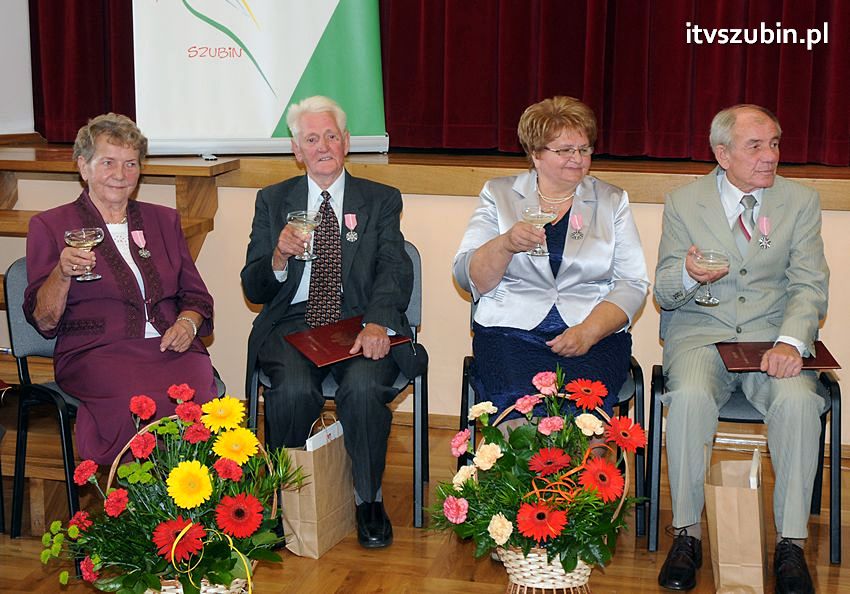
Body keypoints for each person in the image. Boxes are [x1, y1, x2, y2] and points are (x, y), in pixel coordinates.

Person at [654, 105, 828, 594]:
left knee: (798, 402)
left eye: (775, 143)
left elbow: (809, 286)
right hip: (701, 332)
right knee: (687, 398)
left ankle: (790, 544)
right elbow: (664, 291)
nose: (770, 155)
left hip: (773, 335)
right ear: (722, 153)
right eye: (756, 146)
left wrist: (792, 341)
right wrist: (688, 274)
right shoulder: (684, 202)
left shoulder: (800, 201)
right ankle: (686, 535)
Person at [241, 96, 426, 549]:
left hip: (360, 321)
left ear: (345, 143)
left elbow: (394, 268)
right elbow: (254, 286)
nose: (323, 146)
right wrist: (279, 256)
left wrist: (381, 323)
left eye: (331, 136)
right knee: (294, 389)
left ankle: (369, 500)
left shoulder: (380, 200)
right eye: (311, 139)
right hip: (293, 321)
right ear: (297, 149)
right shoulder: (272, 200)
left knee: (362, 387)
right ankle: (284, 500)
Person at [24, 113, 217, 465]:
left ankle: (195, 499)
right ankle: (140, 505)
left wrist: (187, 325)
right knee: (137, 400)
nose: (120, 174)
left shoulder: (163, 220)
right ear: (83, 166)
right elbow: (44, 318)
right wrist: (62, 273)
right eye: (108, 162)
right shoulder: (50, 226)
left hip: (170, 348)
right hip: (96, 352)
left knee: (194, 395)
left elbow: (197, 297)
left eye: (131, 164)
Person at [453, 96, 648, 419]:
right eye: (565, 150)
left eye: (584, 149)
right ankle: (517, 470)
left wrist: (588, 331)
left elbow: (632, 283)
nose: (578, 159)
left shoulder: (611, 200)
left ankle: (589, 471)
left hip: (593, 336)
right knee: (520, 405)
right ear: (536, 154)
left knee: (585, 407)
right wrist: (505, 244)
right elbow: (468, 276)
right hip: (510, 333)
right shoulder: (499, 194)